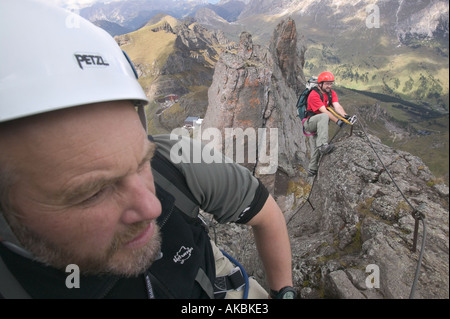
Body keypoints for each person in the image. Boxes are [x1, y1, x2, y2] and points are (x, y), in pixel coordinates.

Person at [0, 0, 295, 299]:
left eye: (143, 162)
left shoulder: (171, 157)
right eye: (93, 192)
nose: (153, 208)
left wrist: (283, 293)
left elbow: (264, 211)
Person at [303, 71, 349, 177]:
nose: (329, 86)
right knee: (324, 118)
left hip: (319, 123)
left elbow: (337, 106)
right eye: (327, 83)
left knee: (316, 144)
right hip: (310, 123)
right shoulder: (314, 95)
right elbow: (324, 112)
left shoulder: (331, 93)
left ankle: (312, 168)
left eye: (331, 83)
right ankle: (323, 146)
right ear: (320, 84)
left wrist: (345, 116)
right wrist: (338, 121)